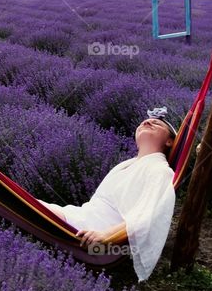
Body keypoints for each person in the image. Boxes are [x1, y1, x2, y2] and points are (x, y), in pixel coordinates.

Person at [39, 107, 178, 281]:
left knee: (25, 208)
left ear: (170, 141)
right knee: (28, 204)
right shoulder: (128, 165)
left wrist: (106, 236)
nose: (148, 121)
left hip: (93, 232)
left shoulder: (159, 170)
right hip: (81, 217)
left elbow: (147, 216)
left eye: (157, 124)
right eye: (144, 122)